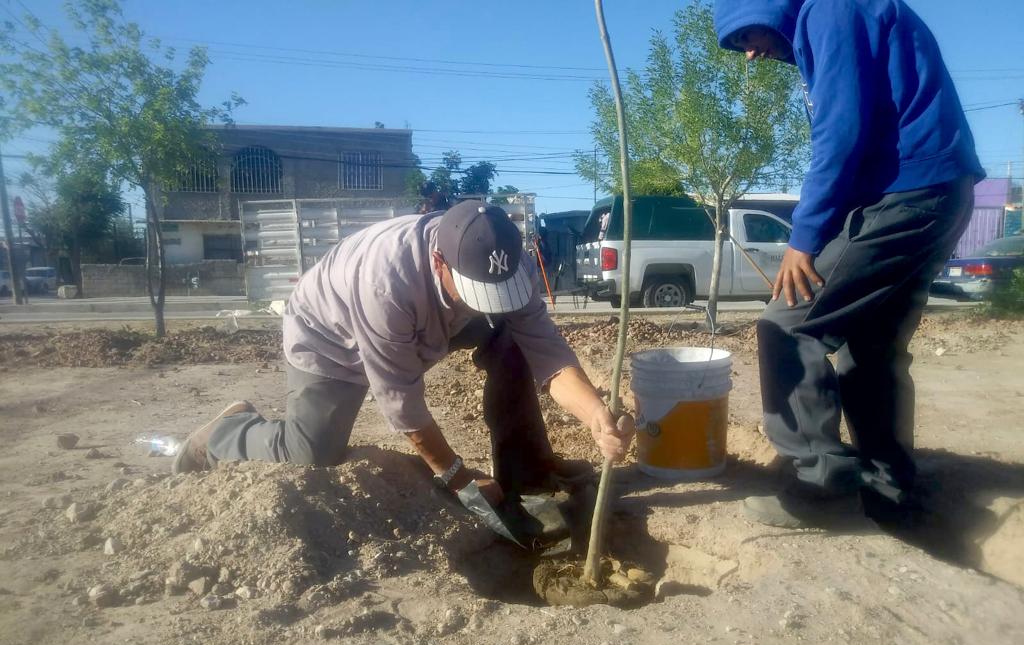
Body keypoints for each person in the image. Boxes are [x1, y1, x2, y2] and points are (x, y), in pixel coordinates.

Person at [174, 200, 634, 518]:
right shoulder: (385, 283)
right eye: (479, 293)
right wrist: (455, 475)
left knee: (510, 336)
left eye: (500, 293)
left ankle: (527, 473)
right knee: (312, 453)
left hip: (436, 322)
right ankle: (227, 433)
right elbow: (400, 402)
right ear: (440, 262)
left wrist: (594, 413)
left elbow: (547, 351)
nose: (491, 302)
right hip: (330, 335)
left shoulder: (508, 263)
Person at [713, 0, 984, 527]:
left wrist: (806, 238)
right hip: (931, 191)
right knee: (871, 346)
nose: (749, 54)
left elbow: (841, 133)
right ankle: (889, 492)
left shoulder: (831, 10)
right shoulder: (838, 13)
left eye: (747, 33)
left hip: (908, 194)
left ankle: (818, 483)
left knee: (787, 324)